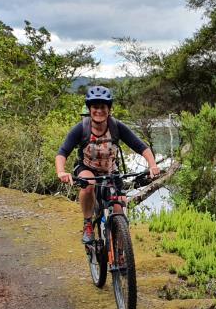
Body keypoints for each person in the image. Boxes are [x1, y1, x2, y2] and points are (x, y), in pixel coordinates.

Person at [55, 85, 160, 243]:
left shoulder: (116, 126)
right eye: (95, 107)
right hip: (87, 168)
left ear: (109, 109)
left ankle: (120, 250)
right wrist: (61, 172)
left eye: (103, 107)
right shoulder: (81, 128)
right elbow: (62, 153)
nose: (99, 111)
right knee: (88, 184)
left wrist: (152, 165)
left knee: (120, 209)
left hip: (110, 170)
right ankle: (88, 223)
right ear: (90, 109)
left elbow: (141, 147)